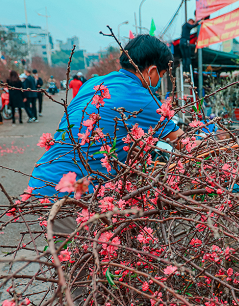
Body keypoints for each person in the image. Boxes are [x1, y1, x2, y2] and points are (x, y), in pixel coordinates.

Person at [29, 34, 183, 198]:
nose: (160, 80)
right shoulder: (142, 98)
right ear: (152, 70)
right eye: (163, 74)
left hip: (42, 180)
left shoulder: (92, 84)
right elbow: (187, 144)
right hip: (71, 193)